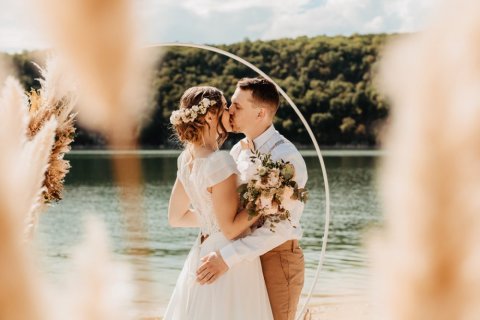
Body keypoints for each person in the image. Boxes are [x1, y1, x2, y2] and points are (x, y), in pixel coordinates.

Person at [196, 78, 308, 320]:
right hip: (243, 262)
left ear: (260, 113)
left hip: (275, 259)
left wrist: (226, 258)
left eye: (237, 106)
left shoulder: (286, 159)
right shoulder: (237, 151)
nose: (229, 111)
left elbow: (281, 227)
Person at [164, 86, 273, 320]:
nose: (230, 112)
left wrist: (212, 218)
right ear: (211, 116)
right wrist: (264, 201)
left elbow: (176, 218)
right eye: (225, 108)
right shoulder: (220, 162)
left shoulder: (187, 159)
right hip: (226, 257)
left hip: (203, 249)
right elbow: (232, 229)